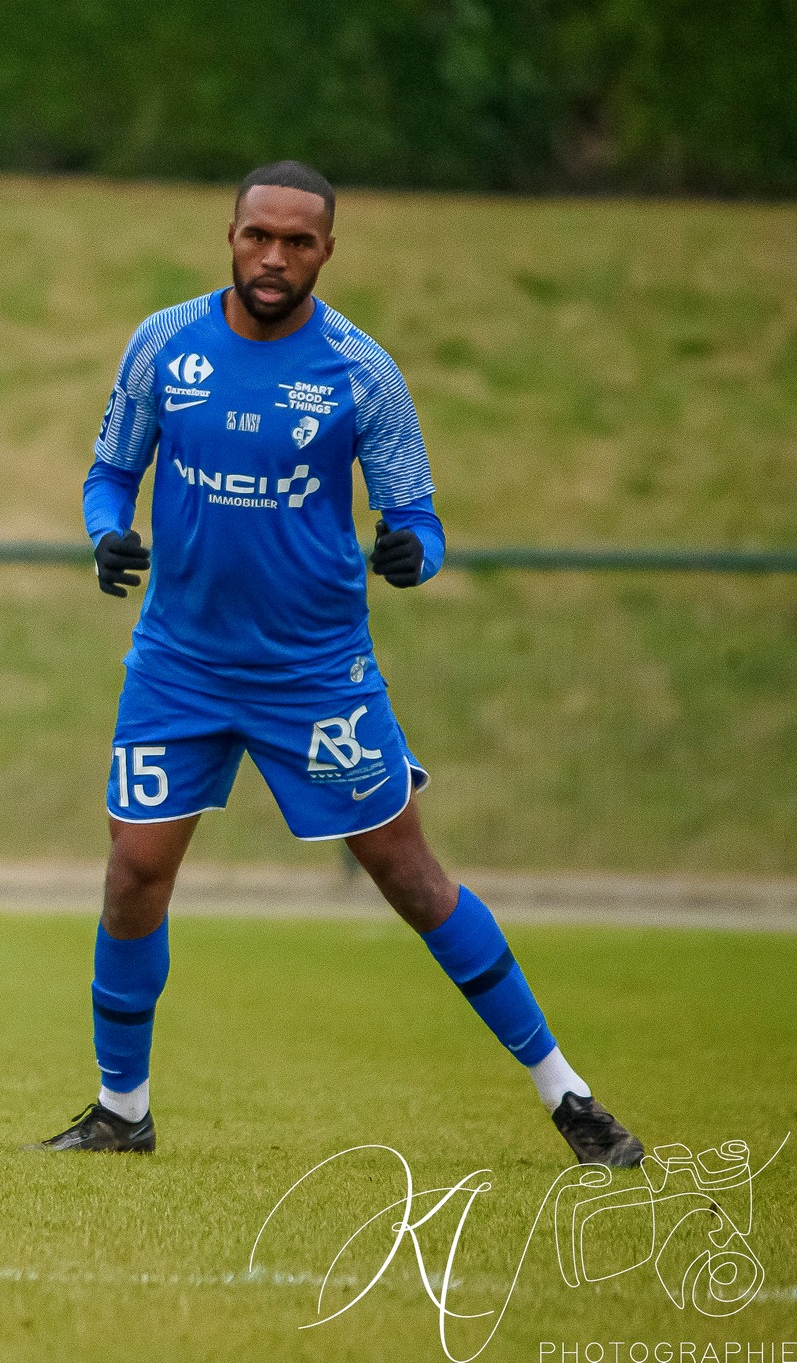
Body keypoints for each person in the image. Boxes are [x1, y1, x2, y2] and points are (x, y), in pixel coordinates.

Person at [38, 161, 643, 1166]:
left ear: (326, 250)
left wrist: (414, 554)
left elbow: (412, 514)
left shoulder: (360, 370)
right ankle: (119, 1109)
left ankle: (569, 1097)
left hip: (313, 673)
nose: (272, 258)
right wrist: (107, 533)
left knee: (407, 877)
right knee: (132, 876)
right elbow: (111, 471)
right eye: (255, 236)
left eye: (296, 242)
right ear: (227, 234)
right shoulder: (163, 343)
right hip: (176, 663)